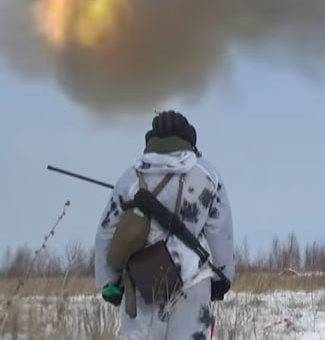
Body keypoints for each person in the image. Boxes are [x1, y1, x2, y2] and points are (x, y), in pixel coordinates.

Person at [94, 110, 235, 339]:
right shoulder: (207, 175)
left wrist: (108, 280)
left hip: (142, 283)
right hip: (193, 283)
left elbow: (107, 232)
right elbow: (220, 232)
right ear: (189, 139)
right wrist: (222, 277)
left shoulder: (130, 178)